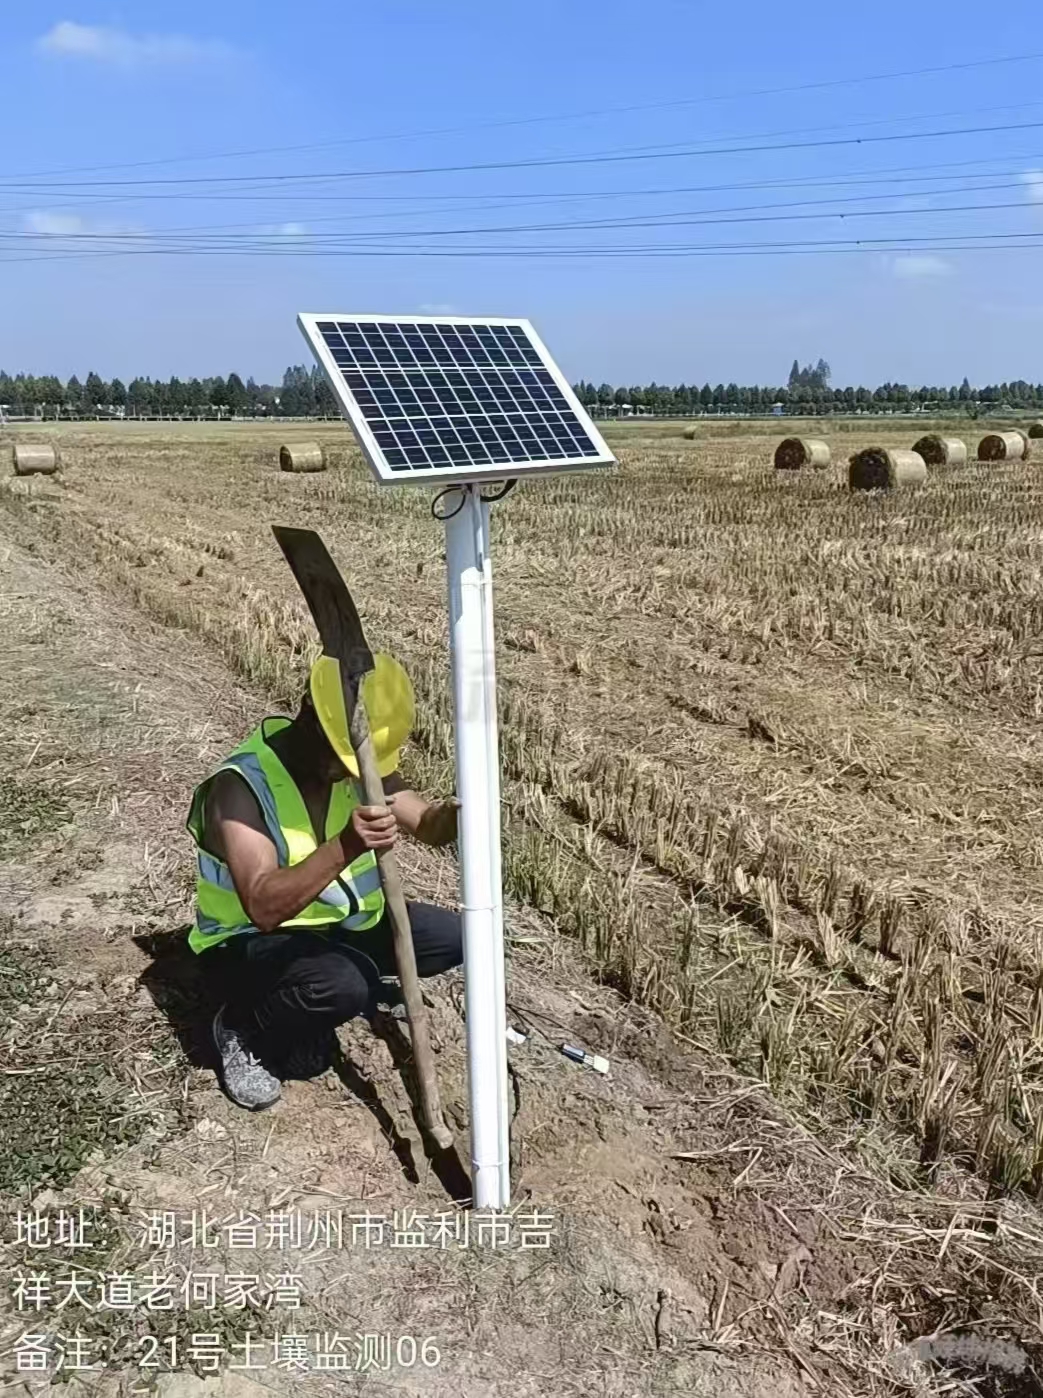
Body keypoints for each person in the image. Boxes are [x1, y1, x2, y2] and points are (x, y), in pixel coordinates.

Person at [185, 651, 462, 1110]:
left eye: (358, 759)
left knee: (452, 937)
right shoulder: (239, 787)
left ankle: (348, 982)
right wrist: (346, 846)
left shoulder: (357, 764)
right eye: (342, 755)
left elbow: (428, 827)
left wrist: (458, 811)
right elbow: (263, 906)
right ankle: (242, 1026)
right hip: (249, 943)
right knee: (339, 988)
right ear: (308, 712)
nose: (346, 772)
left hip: (334, 930)